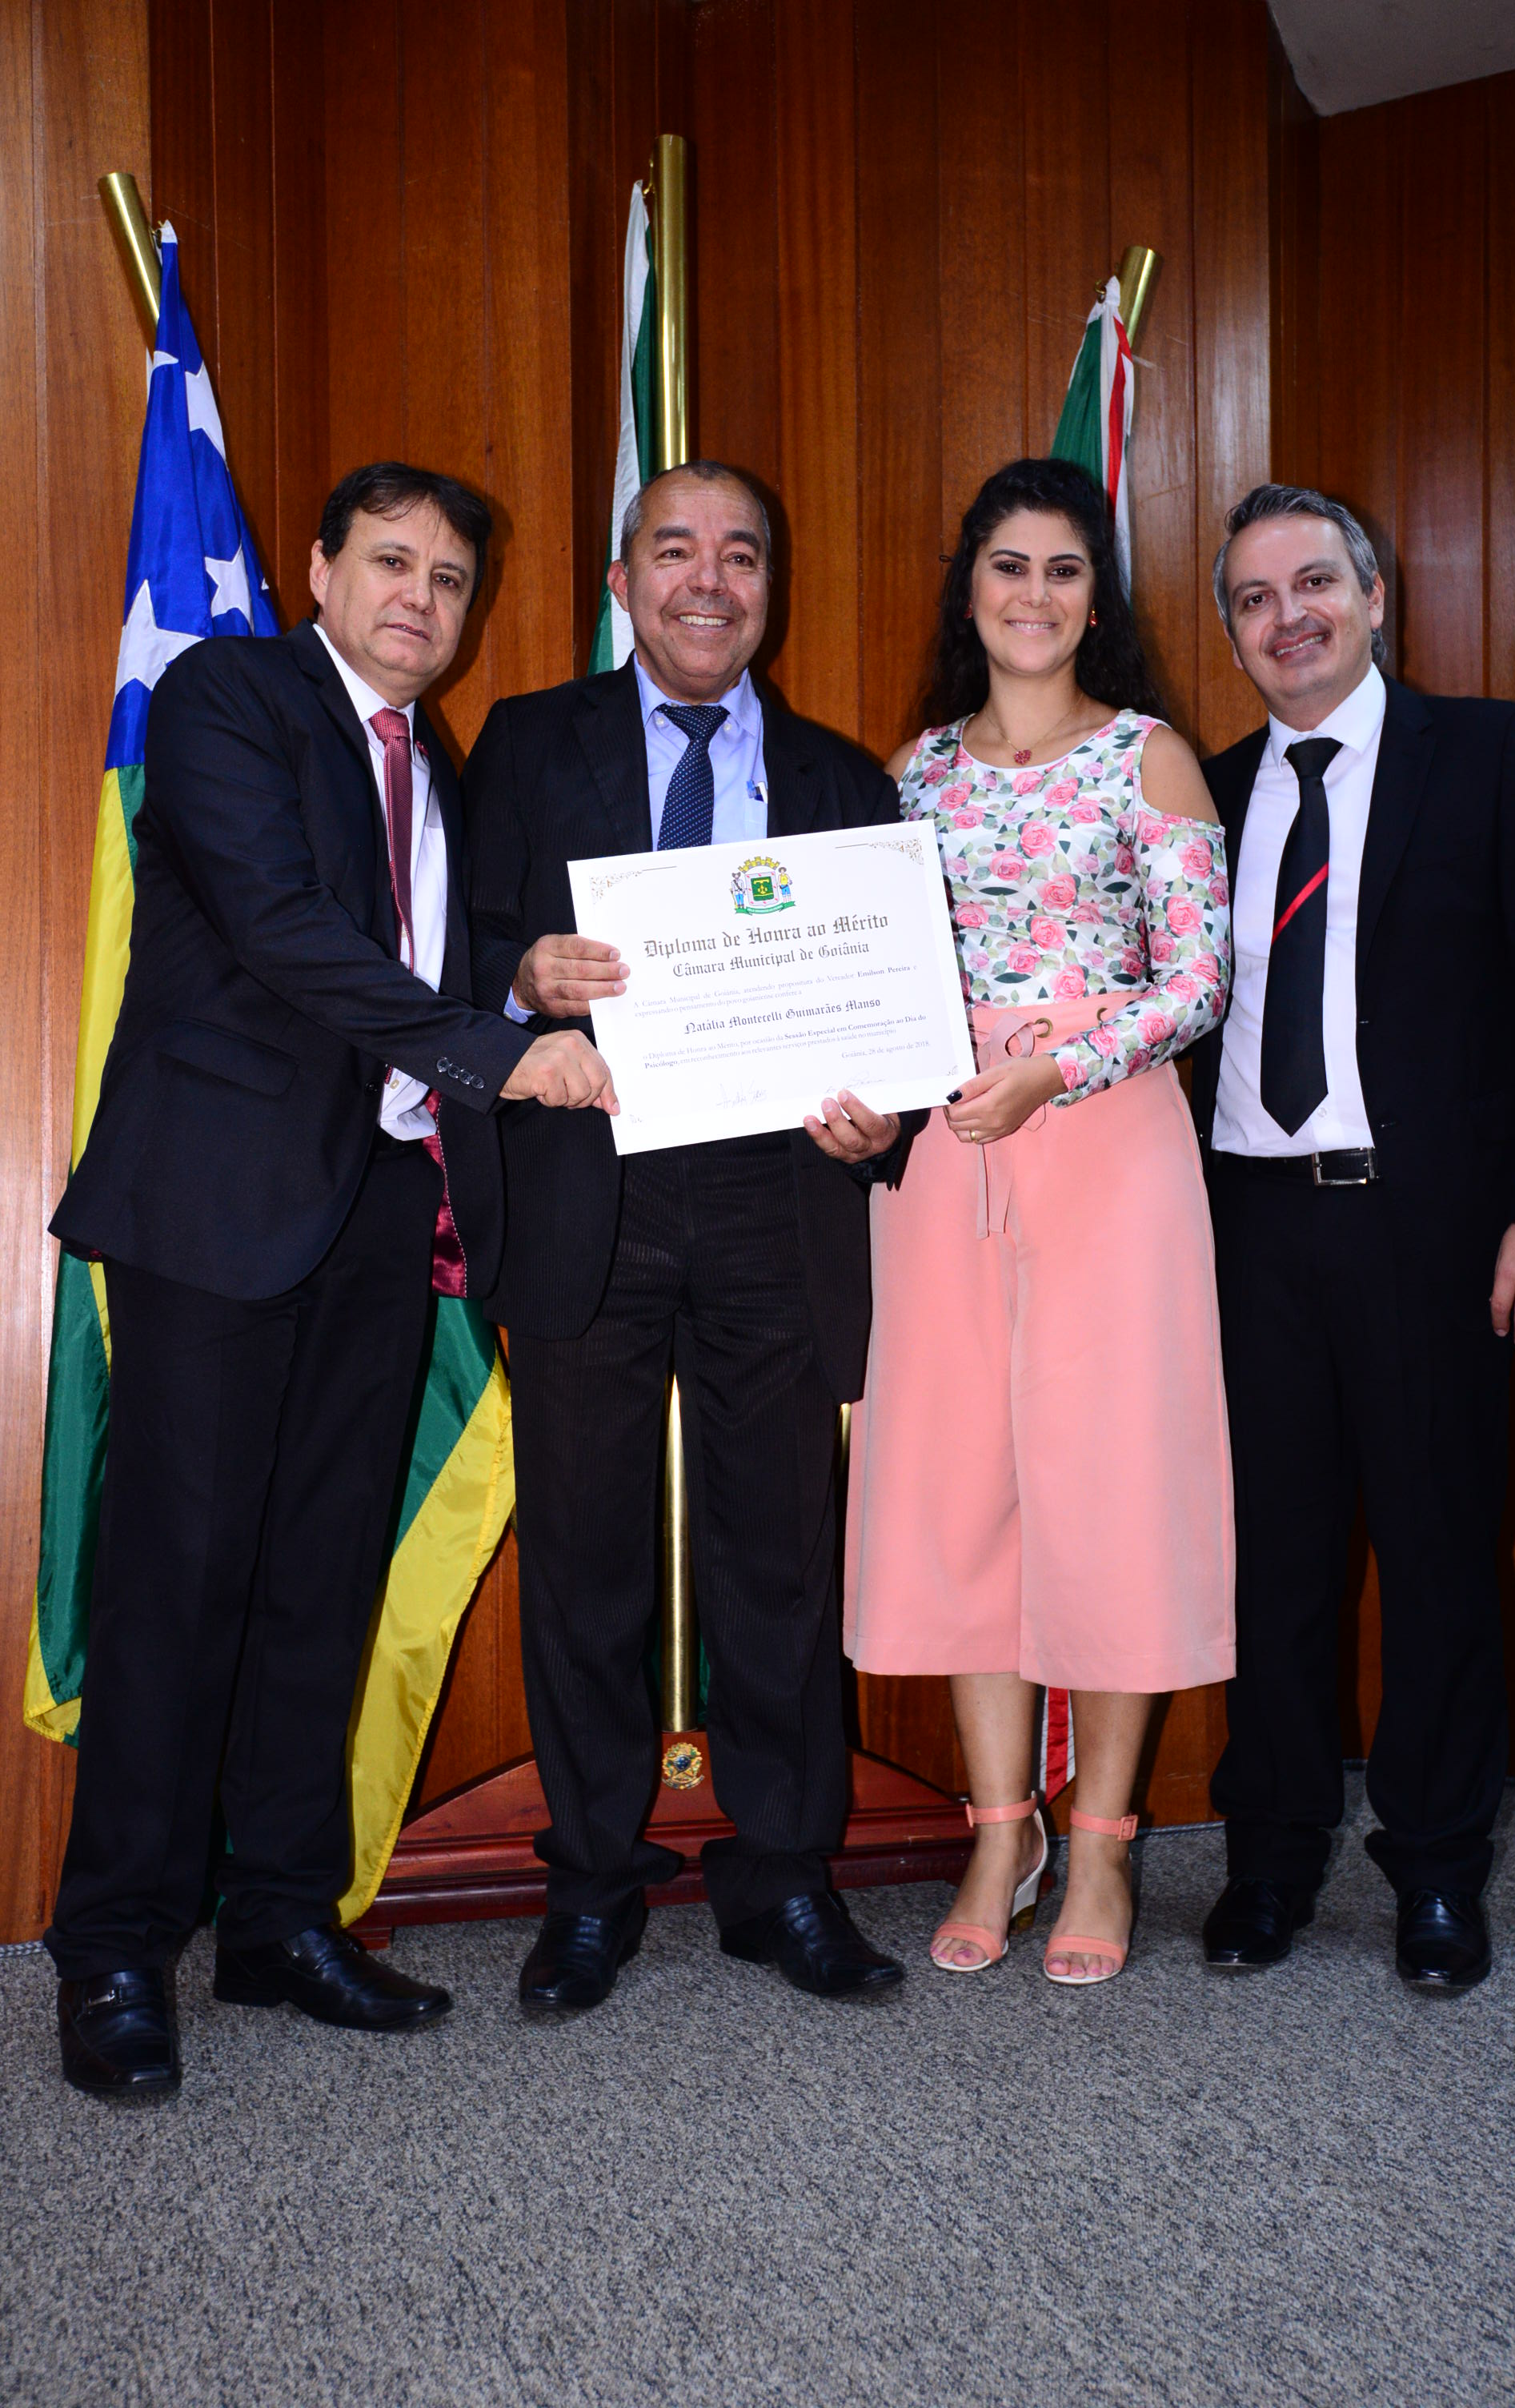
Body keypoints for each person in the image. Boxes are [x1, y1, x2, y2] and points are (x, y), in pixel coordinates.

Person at [46, 463, 614, 2099]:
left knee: (322, 1579)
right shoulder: (228, 697)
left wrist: (512, 978)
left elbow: (412, 954)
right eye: (390, 562)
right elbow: (284, 925)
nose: (419, 599)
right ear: (317, 568)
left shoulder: (436, 762)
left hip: (381, 1210)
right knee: (178, 1582)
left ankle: (282, 1918)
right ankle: (116, 1948)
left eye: (449, 579)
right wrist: (494, 1050)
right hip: (220, 1210)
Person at [464, 460, 915, 2013]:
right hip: (587, 1185)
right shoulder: (528, 743)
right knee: (582, 1555)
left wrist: (884, 1121)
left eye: (739, 555)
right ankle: (591, 1882)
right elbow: (452, 950)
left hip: (777, 1200)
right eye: (674, 551)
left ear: (769, 588)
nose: (707, 581)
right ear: (621, 582)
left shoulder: (848, 784)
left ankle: (783, 1876)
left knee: (778, 1559)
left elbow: (894, 1018)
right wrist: (523, 978)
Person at [1193, 482, 1515, 1990]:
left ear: (1376, 599)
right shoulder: (1204, 795)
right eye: (1254, 599)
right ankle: (1270, 1859)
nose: (1287, 617)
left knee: (1440, 1554)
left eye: (1315, 583)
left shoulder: (1495, 754)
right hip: (1247, 1230)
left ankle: (1436, 1870)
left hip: (1431, 1229)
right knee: (1273, 1563)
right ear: (1233, 632)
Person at [844, 456, 1235, 1985]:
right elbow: (871, 981)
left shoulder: (1150, 757)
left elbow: (1196, 982)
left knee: (1112, 1485)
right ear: (970, 589)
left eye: (1064, 569)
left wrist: (1053, 1069)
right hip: (949, 1156)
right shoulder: (910, 774)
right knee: (963, 1488)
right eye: (1008, 565)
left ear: (1096, 598)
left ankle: (1105, 1842)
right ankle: (999, 1832)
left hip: (1108, 1149)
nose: (1034, 594)